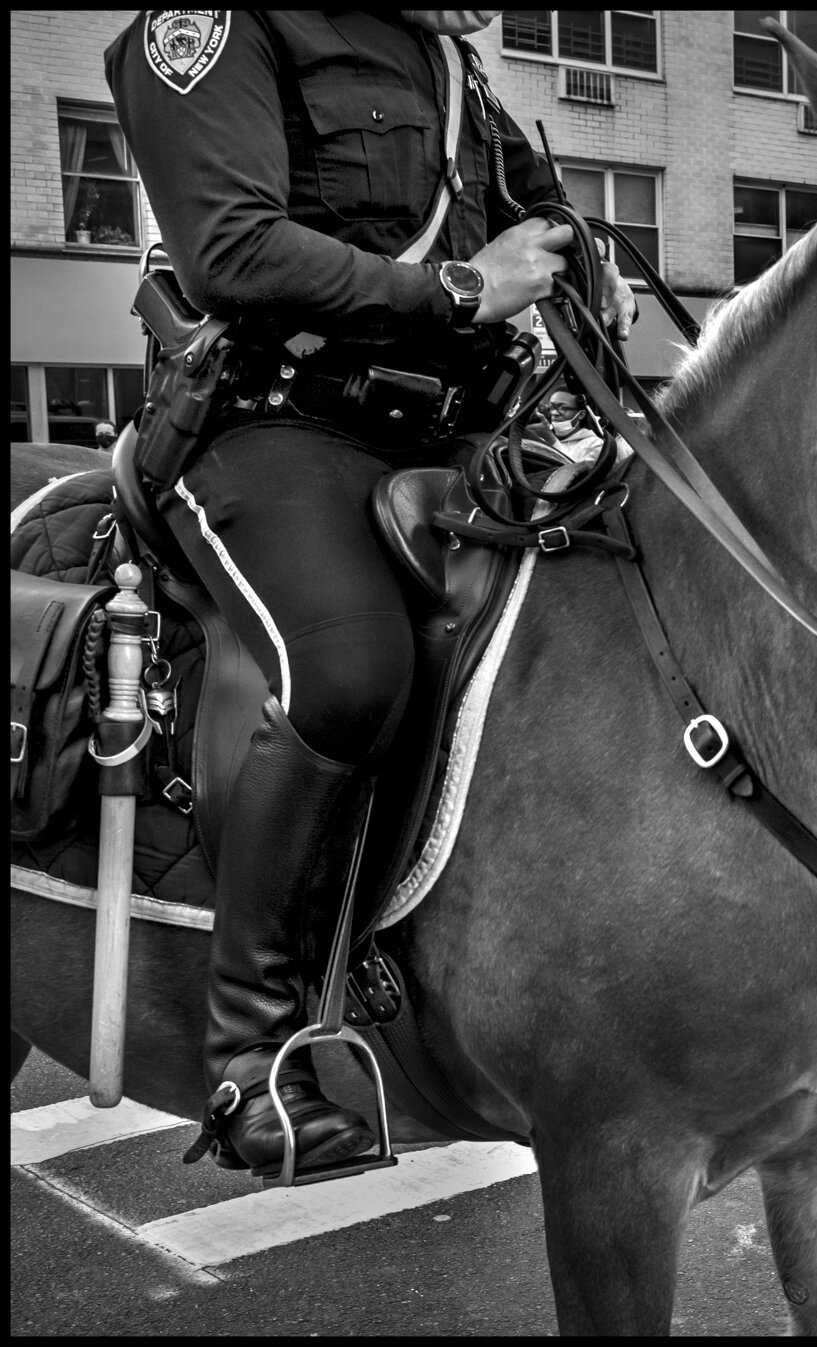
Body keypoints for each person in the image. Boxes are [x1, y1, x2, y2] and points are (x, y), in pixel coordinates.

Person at [105, 10, 637, 1176]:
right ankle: (255, 1062)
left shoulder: (447, 64)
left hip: (453, 434)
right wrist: (459, 288)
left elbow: (539, 214)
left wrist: (573, 254)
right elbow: (230, 251)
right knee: (350, 670)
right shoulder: (211, 26)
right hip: (275, 426)